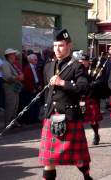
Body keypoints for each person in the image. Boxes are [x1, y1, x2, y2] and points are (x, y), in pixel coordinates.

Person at [38, 29, 92, 180]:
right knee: (48, 159)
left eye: (60, 45)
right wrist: (45, 110)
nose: (57, 49)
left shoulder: (77, 66)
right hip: (51, 115)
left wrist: (62, 82)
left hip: (69, 116)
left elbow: (84, 88)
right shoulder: (48, 66)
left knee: (78, 157)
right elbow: (46, 92)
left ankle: (87, 176)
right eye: (55, 45)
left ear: (69, 45)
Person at [2, 48, 24, 127]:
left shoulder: (12, 64)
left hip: (14, 87)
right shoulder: (5, 64)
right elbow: (8, 77)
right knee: (10, 105)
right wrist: (18, 77)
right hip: (9, 86)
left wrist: (20, 76)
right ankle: (8, 123)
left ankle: (13, 122)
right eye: (13, 54)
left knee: (15, 105)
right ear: (9, 55)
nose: (15, 55)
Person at [21, 54, 43, 123]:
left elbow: (39, 77)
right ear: (30, 60)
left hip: (36, 86)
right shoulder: (27, 68)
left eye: (36, 59)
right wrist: (32, 88)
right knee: (30, 104)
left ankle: (35, 118)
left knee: (37, 104)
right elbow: (27, 80)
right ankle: (30, 119)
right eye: (35, 59)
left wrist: (40, 84)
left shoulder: (36, 67)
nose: (36, 61)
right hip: (30, 88)